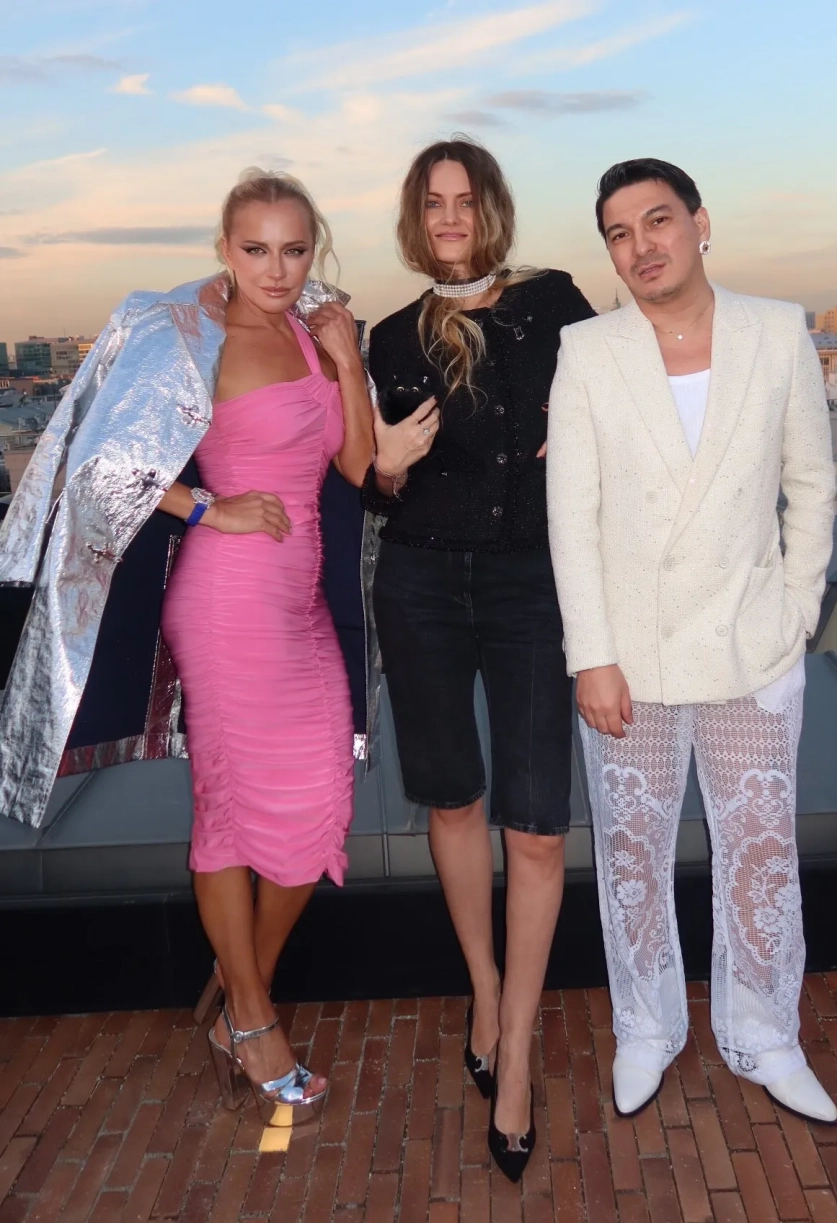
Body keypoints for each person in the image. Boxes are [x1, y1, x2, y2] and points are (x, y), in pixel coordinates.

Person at [0, 168, 374, 1121]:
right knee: (232, 814)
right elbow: (98, 462)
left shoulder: (314, 330)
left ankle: (239, 998)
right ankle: (251, 1017)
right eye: (256, 249)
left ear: (314, 249)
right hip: (226, 604)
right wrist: (208, 506)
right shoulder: (186, 336)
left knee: (319, 806)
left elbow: (357, 462)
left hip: (301, 608)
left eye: (294, 249)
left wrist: (347, 362)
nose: (276, 268)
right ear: (224, 248)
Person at [546, 158, 837, 1123]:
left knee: (762, 849)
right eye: (619, 233)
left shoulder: (776, 330)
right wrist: (591, 654)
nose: (642, 246)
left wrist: (796, 610)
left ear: (701, 223)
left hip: (753, 646)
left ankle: (767, 1034)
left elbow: (812, 482)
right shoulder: (588, 350)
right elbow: (572, 515)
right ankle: (646, 1026)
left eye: (658, 220)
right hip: (630, 657)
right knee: (632, 851)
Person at [363, 137, 595, 1180]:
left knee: (535, 825)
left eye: (465, 199)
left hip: (532, 583)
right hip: (420, 582)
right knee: (453, 801)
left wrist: (583, 425)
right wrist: (383, 468)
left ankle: (518, 1057)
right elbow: (368, 484)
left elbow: (627, 395)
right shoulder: (389, 336)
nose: (450, 216)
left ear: (490, 208)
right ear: (416, 220)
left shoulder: (555, 303)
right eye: (433, 202)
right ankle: (486, 992)